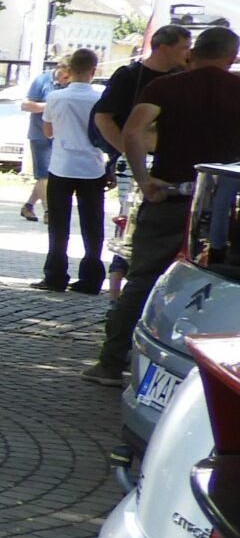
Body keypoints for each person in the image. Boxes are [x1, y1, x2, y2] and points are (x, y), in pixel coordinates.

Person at [94, 25, 240, 385]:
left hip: (169, 195)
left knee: (142, 279)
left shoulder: (163, 86)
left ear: (193, 53)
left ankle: (110, 363)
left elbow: (132, 131)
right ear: (232, 56)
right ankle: (209, 373)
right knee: (223, 285)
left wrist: (143, 179)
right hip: (225, 206)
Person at [94, 26, 191, 296]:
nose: (188, 53)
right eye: (183, 47)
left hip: (168, 163)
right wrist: (127, 149)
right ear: (164, 47)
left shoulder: (182, 77)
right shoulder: (130, 76)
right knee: (130, 223)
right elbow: (103, 117)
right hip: (136, 163)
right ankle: (118, 292)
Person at [35, 49, 109, 294]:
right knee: (93, 224)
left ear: (68, 71)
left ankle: (55, 275)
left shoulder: (57, 97)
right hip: (92, 166)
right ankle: (91, 278)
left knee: (58, 225)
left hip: (62, 165)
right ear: (93, 70)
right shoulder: (101, 97)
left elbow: (48, 131)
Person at [21, 55, 60, 219]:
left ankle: (28, 206)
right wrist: (50, 105)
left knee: (48, 176)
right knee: (44, 175)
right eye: (64, 75)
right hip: (40, 135)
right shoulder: (43, 81)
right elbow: (25, 105)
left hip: (59, 136)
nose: (66, 79)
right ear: (59, 68)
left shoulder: (70, 83)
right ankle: (48, 212)